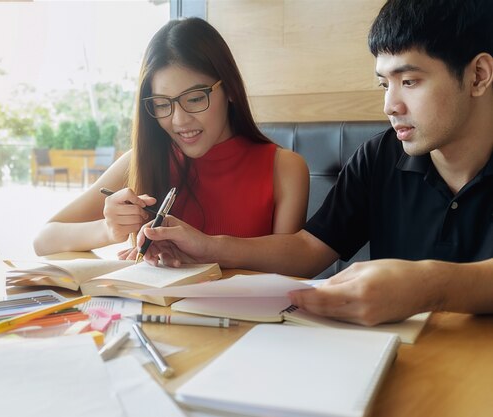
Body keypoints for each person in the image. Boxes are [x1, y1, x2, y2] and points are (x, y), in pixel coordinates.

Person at [135, 0, 493, 326]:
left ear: (478, 75)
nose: (390, 106)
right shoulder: (379, 157)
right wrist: (208, 246)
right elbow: (308, 250)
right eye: (385, 84)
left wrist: (429, 285)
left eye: (410, 81)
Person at [33, 18, 309, 260]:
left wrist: (210, 249)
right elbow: (44, 239)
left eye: (195, 98)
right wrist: (108, 229)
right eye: (163, 104)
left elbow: (288, 270)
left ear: (230, 90)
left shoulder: (284, 168)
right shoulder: (142, 160)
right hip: (155, 317)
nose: (179, 121)